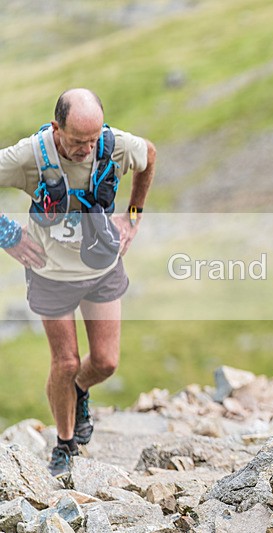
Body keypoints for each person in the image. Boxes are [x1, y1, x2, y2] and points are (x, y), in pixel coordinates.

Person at [0, 88, 156, 477]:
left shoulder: (114, 146)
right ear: (57, 129)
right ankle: (65, 444)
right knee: (66, 361)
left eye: (93, 139)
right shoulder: (29, 156)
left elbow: (149, 156)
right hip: (50, 272)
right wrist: (8, 235)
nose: (87, 149)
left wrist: (133, 215)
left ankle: (79, 390)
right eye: (77, 141)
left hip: (101, 265)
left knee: (105, 362)